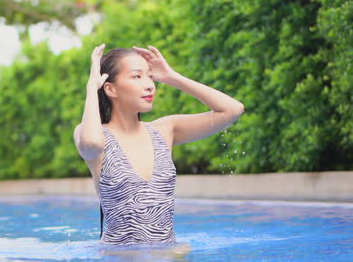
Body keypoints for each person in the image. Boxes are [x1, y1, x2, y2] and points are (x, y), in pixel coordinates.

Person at [73, 43, 244, 246]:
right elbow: (91, 144)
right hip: (118, 258)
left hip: (168, 255)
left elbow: (233, 110)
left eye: (150, 76)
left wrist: (172, 77)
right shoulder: (93, 134)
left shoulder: (164, 130)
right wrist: (92, 88)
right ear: (110, 88)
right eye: (137, 76)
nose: (149, 85)